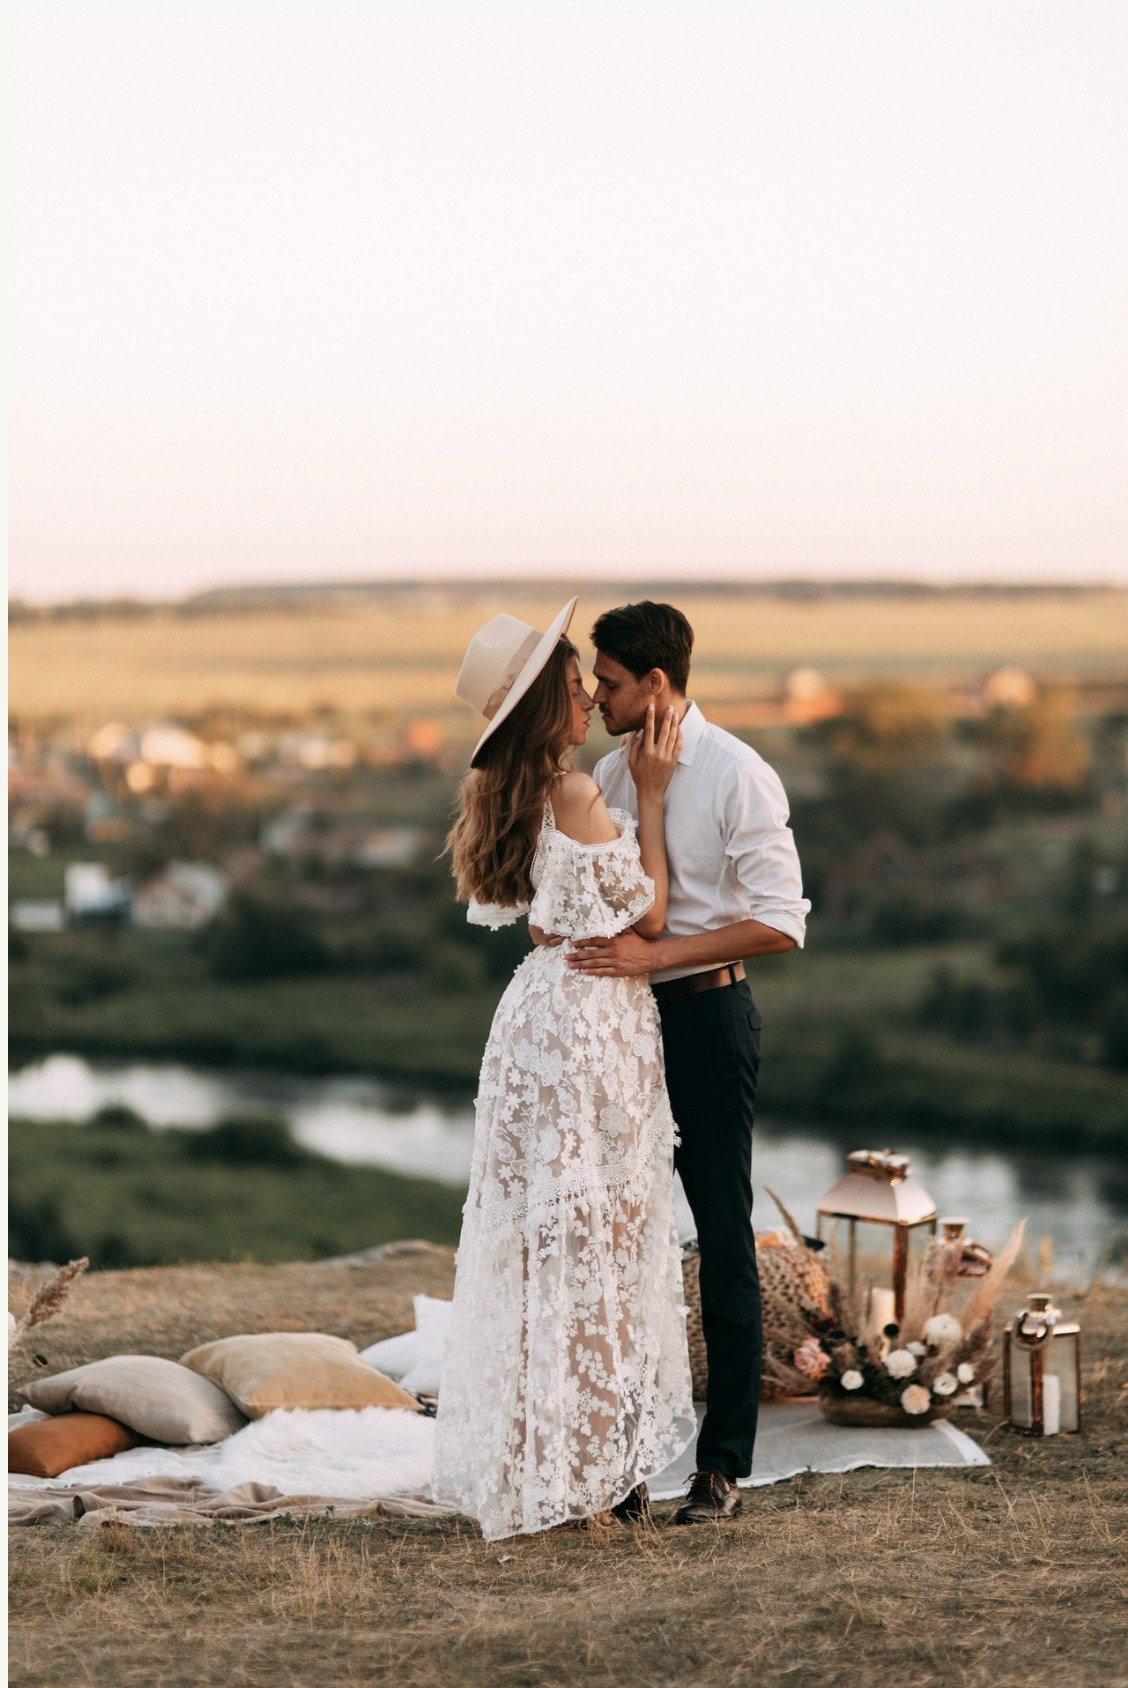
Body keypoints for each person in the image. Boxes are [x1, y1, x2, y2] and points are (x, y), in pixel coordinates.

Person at [431, 597, 696, 1541]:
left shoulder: (502, 794)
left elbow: (542, 918)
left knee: (545, 1240)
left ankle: (542, 1457)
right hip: (589, 1024)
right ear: (546, 703)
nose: (588, 698)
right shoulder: (577, 792)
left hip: (537, 1017)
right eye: (575, 685)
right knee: (602, 1242)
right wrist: (651, 796)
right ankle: (589, 1471)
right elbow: (649, 915)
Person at [568, 601, 809, 1524]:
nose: (598, 697)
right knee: (622, 1241)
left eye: (610, 682)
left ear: (656, 683)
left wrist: (657, 956)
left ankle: (722, 1468)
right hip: (620, 1029)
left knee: (720, 1235)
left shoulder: (739, 773)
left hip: (708, 1020)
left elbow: (781, 921)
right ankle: (622, 1468)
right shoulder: (605, 776)